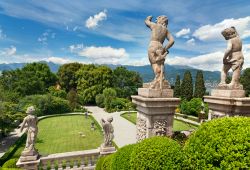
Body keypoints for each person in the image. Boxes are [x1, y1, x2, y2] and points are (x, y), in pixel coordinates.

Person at [145, 15, 174, 89]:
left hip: (153, 45)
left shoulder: (154, 25)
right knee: (159, 63)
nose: (156, 20)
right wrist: (165, 48)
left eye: (158, 19)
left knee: (154, 63)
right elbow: (172, 41)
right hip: (160, 46)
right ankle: (160, 79)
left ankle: (158, 80)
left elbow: (147, 22)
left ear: (161, 20)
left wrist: (148, 19)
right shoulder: (166, 30)